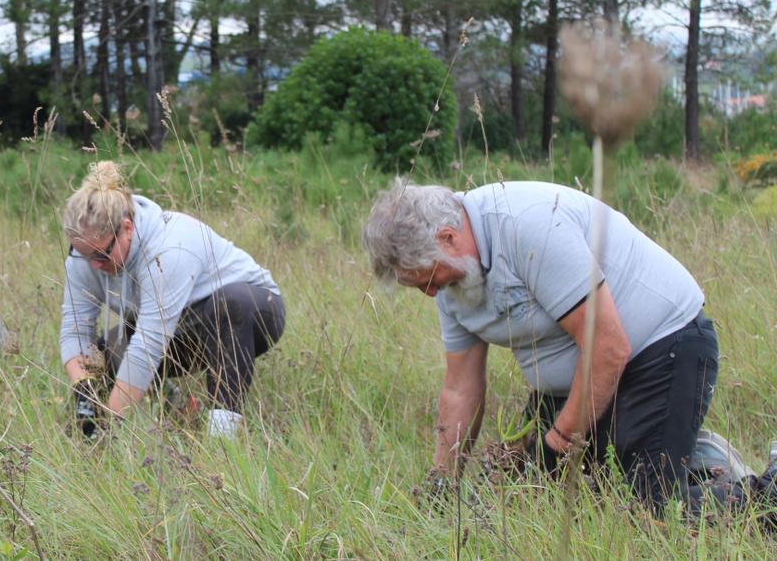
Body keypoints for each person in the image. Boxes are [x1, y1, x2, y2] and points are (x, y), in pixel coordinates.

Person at [362, 178, 777, 518]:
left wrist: (558, 444)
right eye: (419, 287)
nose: (431, 294)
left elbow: (609, 348)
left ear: (448, 237)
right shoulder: (453, 276)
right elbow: (460, 388)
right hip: (582, 373)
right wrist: (442, 480)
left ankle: (768, 491)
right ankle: (697, 454)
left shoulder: (528, 225)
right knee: (536, 499)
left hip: (663, 347)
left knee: (653, 511)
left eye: (429, 279)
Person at [58, 161, 285, 439]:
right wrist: (85, 388)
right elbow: (74, 330)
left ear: (127, 228)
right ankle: (179, 407)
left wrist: (110, 427)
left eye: (101, 255)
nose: (93, 266)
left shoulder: (170, 247)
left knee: (230, 304)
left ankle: (222, 433)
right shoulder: (86, 254)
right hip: (177, 331)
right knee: (106, 352)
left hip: (250, 314)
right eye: (84, 255)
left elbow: (148, 344)